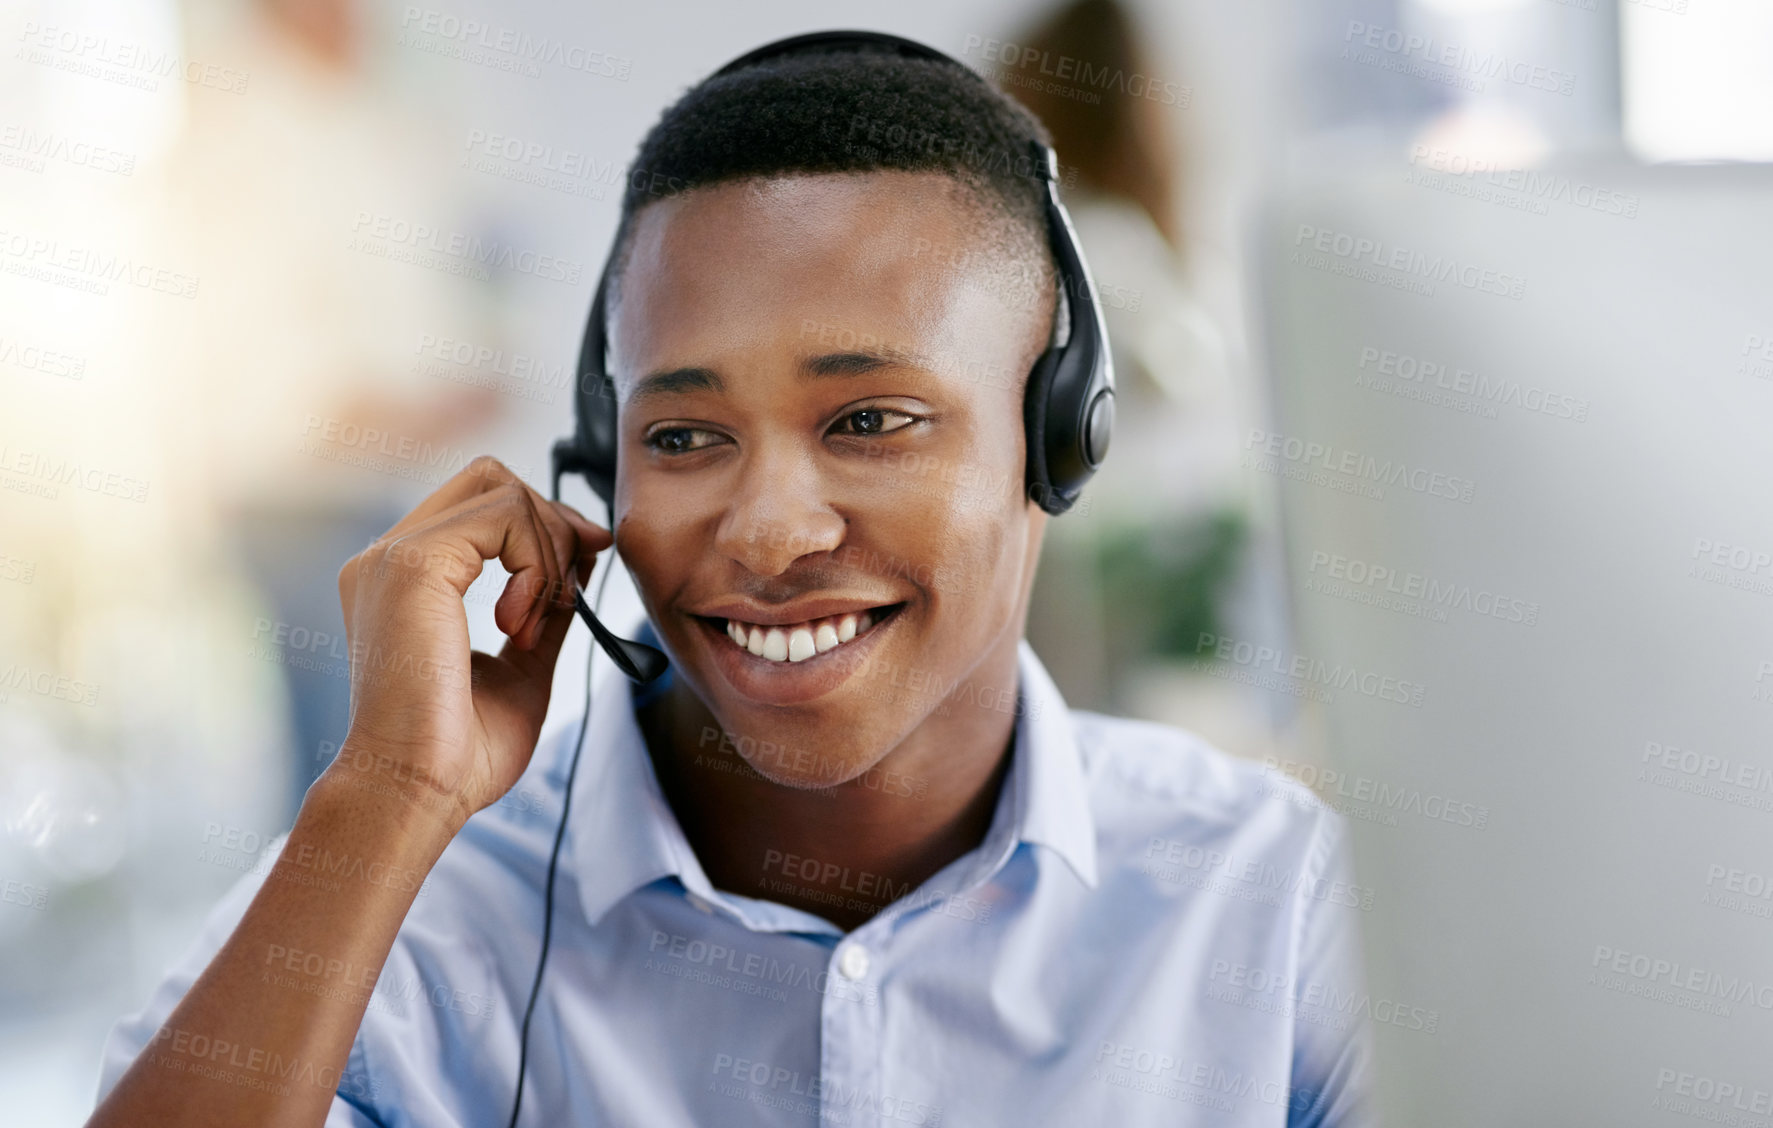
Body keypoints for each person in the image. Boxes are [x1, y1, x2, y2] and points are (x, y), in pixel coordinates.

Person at [88, 35, 1375, 1127]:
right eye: (686, 438)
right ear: (601, 463)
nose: (765, 533)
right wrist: (385, 798)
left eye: (870, 420)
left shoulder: (1270, 902)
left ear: (1056, 437)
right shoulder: (402, 914)